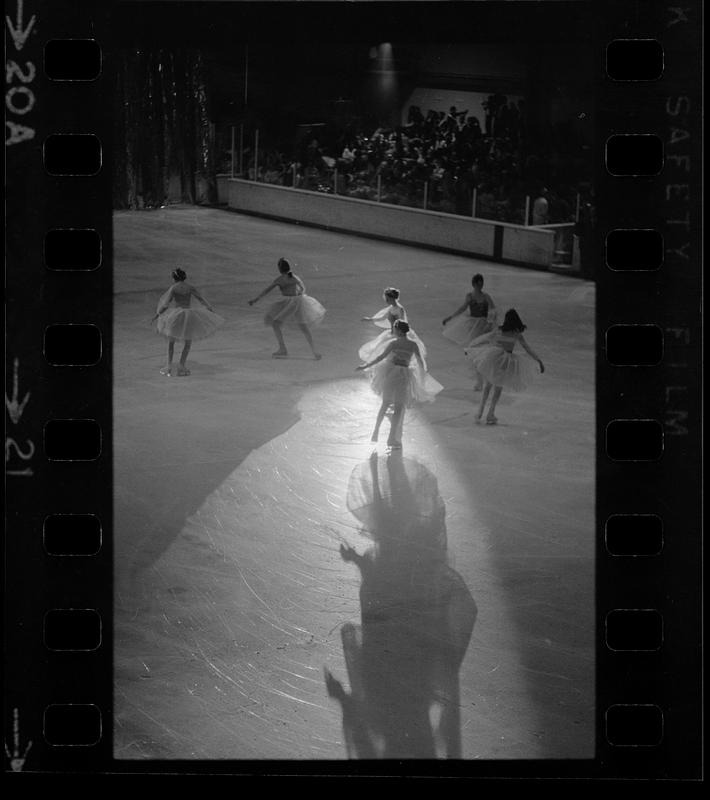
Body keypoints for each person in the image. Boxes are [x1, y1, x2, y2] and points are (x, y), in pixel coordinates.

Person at [357, 320, 442, 449]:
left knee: (386, 404)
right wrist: (423, 374)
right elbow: (420, 362)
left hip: (392, 374)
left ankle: (376, 431)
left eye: (395, 329)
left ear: (400, 331)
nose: (394, 331)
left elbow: (380, 357)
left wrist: (366, 365)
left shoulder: (394, 343)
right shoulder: (413, 345)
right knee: (398, 407)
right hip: (404, 375)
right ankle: (392, 438)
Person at [464, 308, 544, 425]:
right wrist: (538, 360)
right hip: (505, 362)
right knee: (498, 388)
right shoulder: (517, 334)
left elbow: (484, 338)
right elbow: (527, 349)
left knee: (488, 387)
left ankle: (480, 412)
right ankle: (490, 413)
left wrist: (470, 348)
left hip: (494, 359)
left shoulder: (499, 330)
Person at [152, 267, 224, 377]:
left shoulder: (174, 288)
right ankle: (181, 366)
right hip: (189, 316)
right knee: (187, 342)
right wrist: (210, 309)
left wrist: (158, 314)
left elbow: (165, 304)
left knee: (171, 342)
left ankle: (169, 366)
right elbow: (201, 299)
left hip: (175, 316)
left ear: (174, 278)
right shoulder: (189, 287)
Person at [248, 257, 325, 359]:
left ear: (280, 269)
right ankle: (314, 351)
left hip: (290, 302)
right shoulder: (294, 277)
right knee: (303, 327)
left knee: (276, 323)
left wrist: (255, 300)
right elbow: (302, 288)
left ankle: (283, 348)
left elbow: (267, 291)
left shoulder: (280, 279)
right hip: (299, 301)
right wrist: (298, 296)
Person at [441, 273, 497, 389]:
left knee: (483, 353)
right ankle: (479, 381)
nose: (481, 286)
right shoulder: (470, 296)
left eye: (482, 283)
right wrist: (451, 317)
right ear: (474, 284)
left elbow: (493, 310)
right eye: (478, 283)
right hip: (473, 326)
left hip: (484, 327)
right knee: (474, 354)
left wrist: (491, 322)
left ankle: (484, 379)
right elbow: (462, 308)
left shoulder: (486, 296)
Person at [359, 287, 427, 366]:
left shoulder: (400, 309)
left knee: (391, 353)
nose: (386, 301)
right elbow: (382, 318)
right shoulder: (391, 308)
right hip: (392, 332)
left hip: (398, 333)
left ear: (392, 298)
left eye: (387, 299)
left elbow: (402, 322)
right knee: (380, 351)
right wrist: (370, 319)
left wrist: (398, 332)